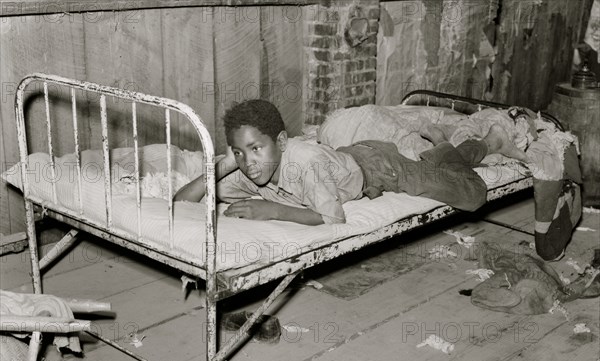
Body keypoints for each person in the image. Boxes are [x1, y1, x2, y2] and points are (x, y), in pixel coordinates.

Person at [174, 99, 528, 225]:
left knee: (472, 194)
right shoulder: (249, 171)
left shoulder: (305, 160)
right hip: (354, 162)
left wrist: (274, 211)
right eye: (239, 152)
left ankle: (470, 143)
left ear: (281, 142)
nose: (249, 161)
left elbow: (331, 218)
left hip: (379, 166)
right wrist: (221, 165)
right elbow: (182, 202)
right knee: (440, 169)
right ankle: (444, 149)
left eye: (256, 149)